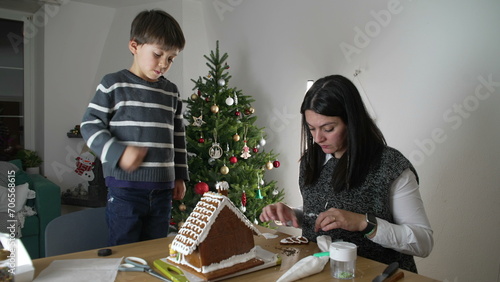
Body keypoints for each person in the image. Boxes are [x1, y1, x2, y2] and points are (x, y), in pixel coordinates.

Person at [259, 75, 433, 272]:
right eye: (311, 129)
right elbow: (323, 207)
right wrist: (295, 214)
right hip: (323, 274)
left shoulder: (390, 167)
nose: (317, 138)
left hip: (380, 275)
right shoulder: (312, 160)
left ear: (352, 122)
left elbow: (423, 242)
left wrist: (364, 223)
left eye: (328, 128)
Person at [80, 10, 188, 246]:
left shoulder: (171, 92)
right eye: (158, 54)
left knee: (154, 250)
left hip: (163, 190)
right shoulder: (113, 84)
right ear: (134, 46)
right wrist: (119, 152)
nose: (164, 64)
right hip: (125, 191)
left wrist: (180, 176)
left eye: (171, 58)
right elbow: (89, 125)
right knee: (125, 251)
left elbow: (178, 136)